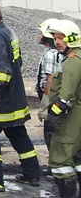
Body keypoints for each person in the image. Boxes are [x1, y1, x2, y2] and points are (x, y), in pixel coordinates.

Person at [0, 4, 40, 191]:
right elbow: (17, 63)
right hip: (14, 99)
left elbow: (3, 70)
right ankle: (32, 174)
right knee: (18, 135)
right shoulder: (9, 33)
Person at [40, 19, 81, 198]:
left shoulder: (73, 61)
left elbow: (66, 97)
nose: (57, 42)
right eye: (55, 38)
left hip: (71, 118)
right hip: (78, 117)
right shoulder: (76, 57)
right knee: (78, 158)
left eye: (61, 38)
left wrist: (52, 117)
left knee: (61, 159)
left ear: (71, 38)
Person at [36, 19, 64, 149]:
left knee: (51, 131)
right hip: (56, 98)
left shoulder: (50, 54)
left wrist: (44, 105)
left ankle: (55, 163)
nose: (38, 36)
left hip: (51, 99)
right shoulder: (57, 53)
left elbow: (50, 80)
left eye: (41, 33)